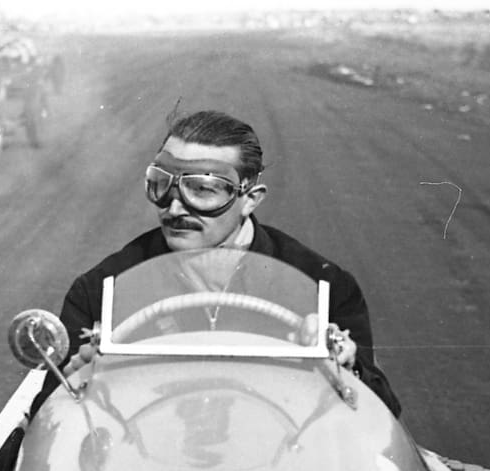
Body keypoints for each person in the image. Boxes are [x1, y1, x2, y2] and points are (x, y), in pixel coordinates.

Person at [35, 109, 400, 417]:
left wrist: (347, 367)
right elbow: (47, 419)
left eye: (203, 190)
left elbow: (381, 415)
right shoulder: (101, 290)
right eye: (161, 185)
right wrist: (73, 377)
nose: (175, 208)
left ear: (250, 198)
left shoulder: (326, 288)